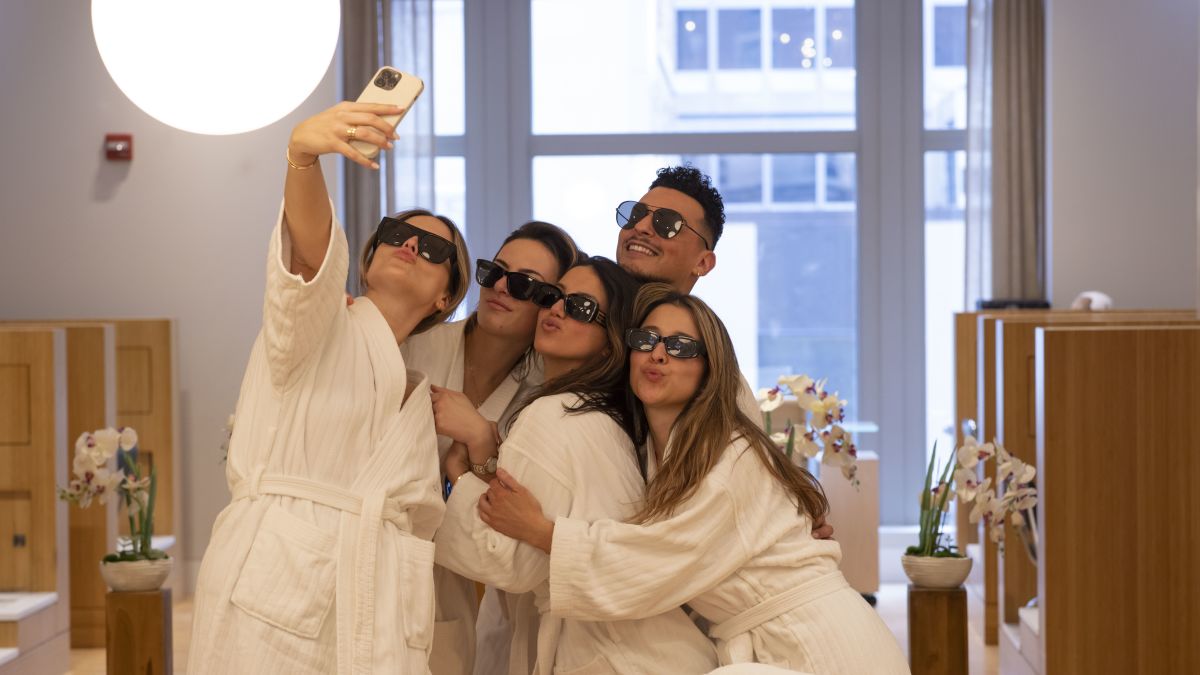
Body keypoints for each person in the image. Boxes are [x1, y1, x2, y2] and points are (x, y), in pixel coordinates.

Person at [478, 285, 909, 673]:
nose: (657, 354)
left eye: (681, 346)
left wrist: (542, 532)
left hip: (825, 645)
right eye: (645, 340)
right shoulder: (665, 453)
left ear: (709, 368)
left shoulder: (729, 455)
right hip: (777, 643)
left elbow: (658, 559)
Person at [188, 101, 469, 674]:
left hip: (379, 607)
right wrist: (303, 157)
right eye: (397, 233)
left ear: (446, 297)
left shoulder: (418, 396)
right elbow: (310, 250)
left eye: (434, 249)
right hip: (278, 592)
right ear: (365, 260)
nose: (410, 246)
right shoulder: (316, 325)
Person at [434, 258, 719, 675]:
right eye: (553, 296)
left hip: (618, 656)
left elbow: (510, 563)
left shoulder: (555, 414)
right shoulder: (603, 419)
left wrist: (456, 476)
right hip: (650, 649)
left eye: (581, 308)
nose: (556, 309)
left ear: (610, 341)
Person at [613, 165, 834, 541]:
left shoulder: (719, 377)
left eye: (667, 223)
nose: (643, 228)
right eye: (636, 214)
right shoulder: (586, 327)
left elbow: (746, 496)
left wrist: (789, 519)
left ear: (703, 262)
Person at [400, 221, 581, 675]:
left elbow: (509, 516)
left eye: (524, 284)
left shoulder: (542, 398)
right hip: (373, 551)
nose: (501, 286)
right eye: (494, 271)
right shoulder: (415, 346)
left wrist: (483, 439)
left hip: (455, 583)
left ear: (551, 304)